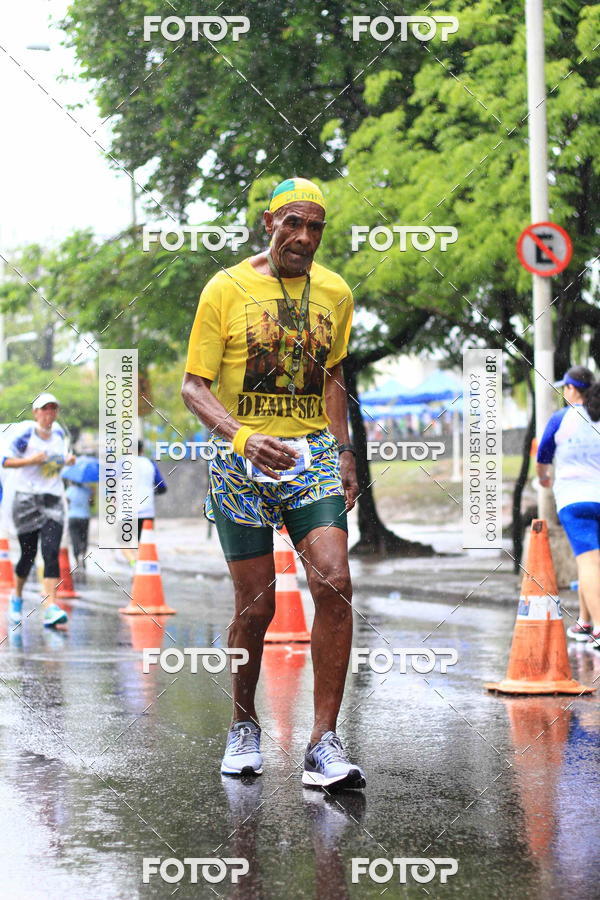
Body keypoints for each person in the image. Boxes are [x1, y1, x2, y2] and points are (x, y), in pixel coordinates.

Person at [182, 176, 364, 789]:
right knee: (256, 605)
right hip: (242, 459)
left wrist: (344, 451)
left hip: (311, 452)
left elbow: (333, 374)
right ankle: (242, 724)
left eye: (316, 227)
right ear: (269, 223)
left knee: (335, 583)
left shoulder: (335, 293)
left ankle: (323, 742)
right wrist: (240, 437)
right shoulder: (226, 288)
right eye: (294, 224)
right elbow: (193, 386)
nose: (305, 237)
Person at [536, 366, 600, 649]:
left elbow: (543, 456)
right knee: (588, 560)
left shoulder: (561, 418)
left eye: (565, 387)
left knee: (588, 561)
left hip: (574, 501)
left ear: (573, 389)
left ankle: (598, 627)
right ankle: (585, 622)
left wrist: (543, 479)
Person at [2, 393, 75, 627]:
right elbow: (5, 461)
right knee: (28, 555)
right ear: (35, 413)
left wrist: (67, 460)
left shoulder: (60, 435)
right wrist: (31, 460)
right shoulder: (26, 435)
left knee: (51, 552)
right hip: (26, 500)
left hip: (52, 498)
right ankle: (17, 598)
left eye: (53, 409)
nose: (49, 414)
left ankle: (50, 608)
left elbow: (55, 462)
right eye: (44, 409)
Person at [122, 441, 167, 564]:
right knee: (144, 543)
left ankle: (134, 564)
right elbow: (162, 487)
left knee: (123, 543)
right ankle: (141, 567)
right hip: (147, 511)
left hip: (127, 511)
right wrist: (151, 493)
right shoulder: (150, 464)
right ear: (142, 450)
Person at [65, 480, 93, 573]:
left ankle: (77, 560)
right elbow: (92, 503)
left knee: (74, 538)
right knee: (84, 537)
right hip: (84, 516)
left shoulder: (69, 490)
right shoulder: (88, 490)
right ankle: (83, 556)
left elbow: (66, 503)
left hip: (72, 517)